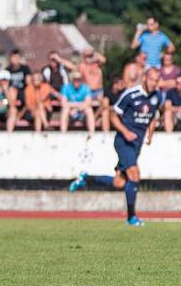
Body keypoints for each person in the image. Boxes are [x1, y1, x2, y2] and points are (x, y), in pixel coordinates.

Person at [69, 68, 163, 227]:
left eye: (157, 80)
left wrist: (150, 134)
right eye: (152, 79)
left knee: (119, 182)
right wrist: (125, 132)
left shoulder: (157, 96)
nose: (154, 83)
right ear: (145, 78)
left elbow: (153, 116)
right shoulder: (131, 94)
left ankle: (86, 178)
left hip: (137, 144)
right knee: (134, 175)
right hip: (123, 142)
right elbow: (113, 114)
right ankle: (131, 217)